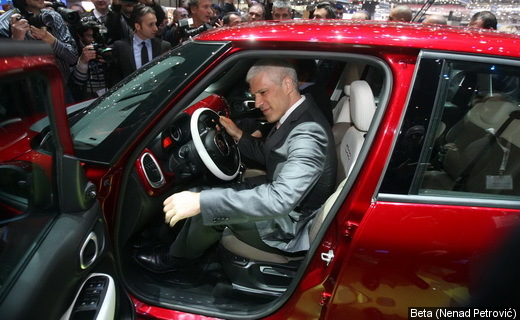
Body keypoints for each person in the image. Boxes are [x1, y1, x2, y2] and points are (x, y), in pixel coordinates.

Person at [135, 59, 338, 272]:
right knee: (206, 194)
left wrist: (201, 203)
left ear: (287, 85)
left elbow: (280, 200)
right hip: (284, 206)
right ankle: (172, 240)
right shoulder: (298, 113)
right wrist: (238, 135)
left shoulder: (308, 133)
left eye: (263, 92)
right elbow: (272, 155)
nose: (258, 103)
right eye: (254, 96)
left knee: (207, 207)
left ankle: (176, 260)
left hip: (288, 227)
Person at [0, 0, 77, 100]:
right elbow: (7, 75)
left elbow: (73, 57)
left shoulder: (53, 16)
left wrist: (50, 40)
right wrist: (16, 40)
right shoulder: (4, 25)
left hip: (63, 90)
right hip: (28, 100)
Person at [108, 4, 170, 86]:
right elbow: (115, 79)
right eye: (150, 25)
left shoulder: (164, 46)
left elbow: (168, 75)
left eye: (155, 24)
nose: (155, 28)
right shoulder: (121, 47)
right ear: (137, 26)